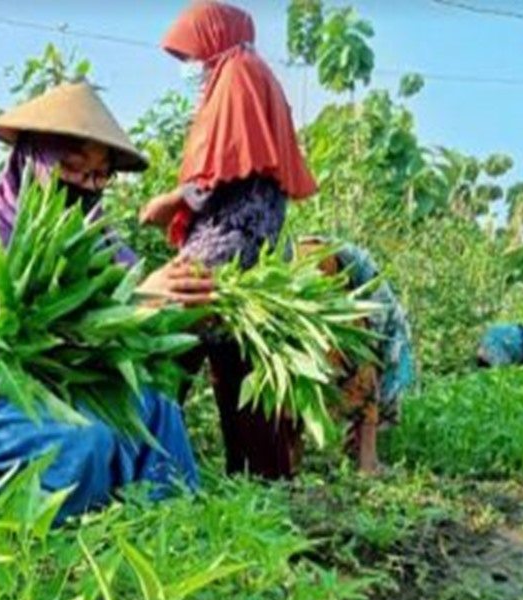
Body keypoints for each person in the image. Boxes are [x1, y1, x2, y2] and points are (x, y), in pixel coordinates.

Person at [0, 82, 202, 522]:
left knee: (157, 407)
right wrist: (136, 301)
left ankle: (172, 526)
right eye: (71, 168)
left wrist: (165, 304)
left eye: (99, 176)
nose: (86, 186)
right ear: (36, 161)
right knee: (88, 437)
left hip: (66, 388)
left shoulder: (93, 231)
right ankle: (30, 534)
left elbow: (126, 292)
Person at [139, 1, 319, 481]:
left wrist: (173, 201)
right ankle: (261, 483)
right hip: (253, 256)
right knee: (240, 372)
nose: (194, 68)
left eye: (195, 55)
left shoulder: (238, 71)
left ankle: (143, 474)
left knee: (164, 356)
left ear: (214, 37)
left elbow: (228, 159)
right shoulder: (255, 76)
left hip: (224, 252)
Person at [297, 238, 416, 474]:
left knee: (300, 365)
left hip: (299, 258)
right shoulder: (396, 340)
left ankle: (290, 457)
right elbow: (375, 342)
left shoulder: (391, 315)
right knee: (363, 378)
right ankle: (368, 464)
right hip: (322, 266)